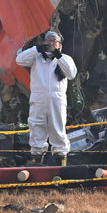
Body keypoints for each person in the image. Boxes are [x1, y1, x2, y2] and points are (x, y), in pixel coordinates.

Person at [15, 30, 77, 164]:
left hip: (57, 99)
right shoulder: (36, 57)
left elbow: (71, 74)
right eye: (49, 40)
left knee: (58, 128)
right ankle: (37, 158)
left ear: (59, 45)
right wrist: (36, 49)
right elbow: (19, 60)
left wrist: (59, 56)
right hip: (38, 98)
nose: (52, 43)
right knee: (37, 127)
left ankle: (61, 160)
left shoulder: (65, 59)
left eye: (55, 41)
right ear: (43, 42)